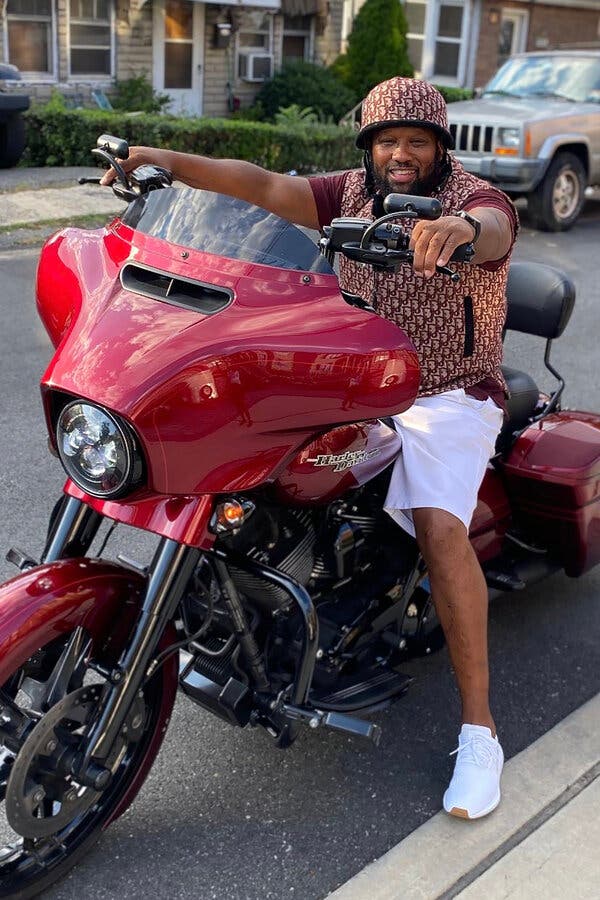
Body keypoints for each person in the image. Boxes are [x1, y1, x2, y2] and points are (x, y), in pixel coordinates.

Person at [101, 77, 518, 820]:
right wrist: (159, 156)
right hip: (355, 376)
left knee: (438, 527)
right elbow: (259, 185)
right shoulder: (346, 193)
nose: (399, 154)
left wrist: (457, 232)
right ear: (369, 146)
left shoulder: (472, 199)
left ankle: (480, 728)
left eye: (415, 142)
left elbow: (491, 227)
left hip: (443, 391)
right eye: (386, 140)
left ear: (439, 149)